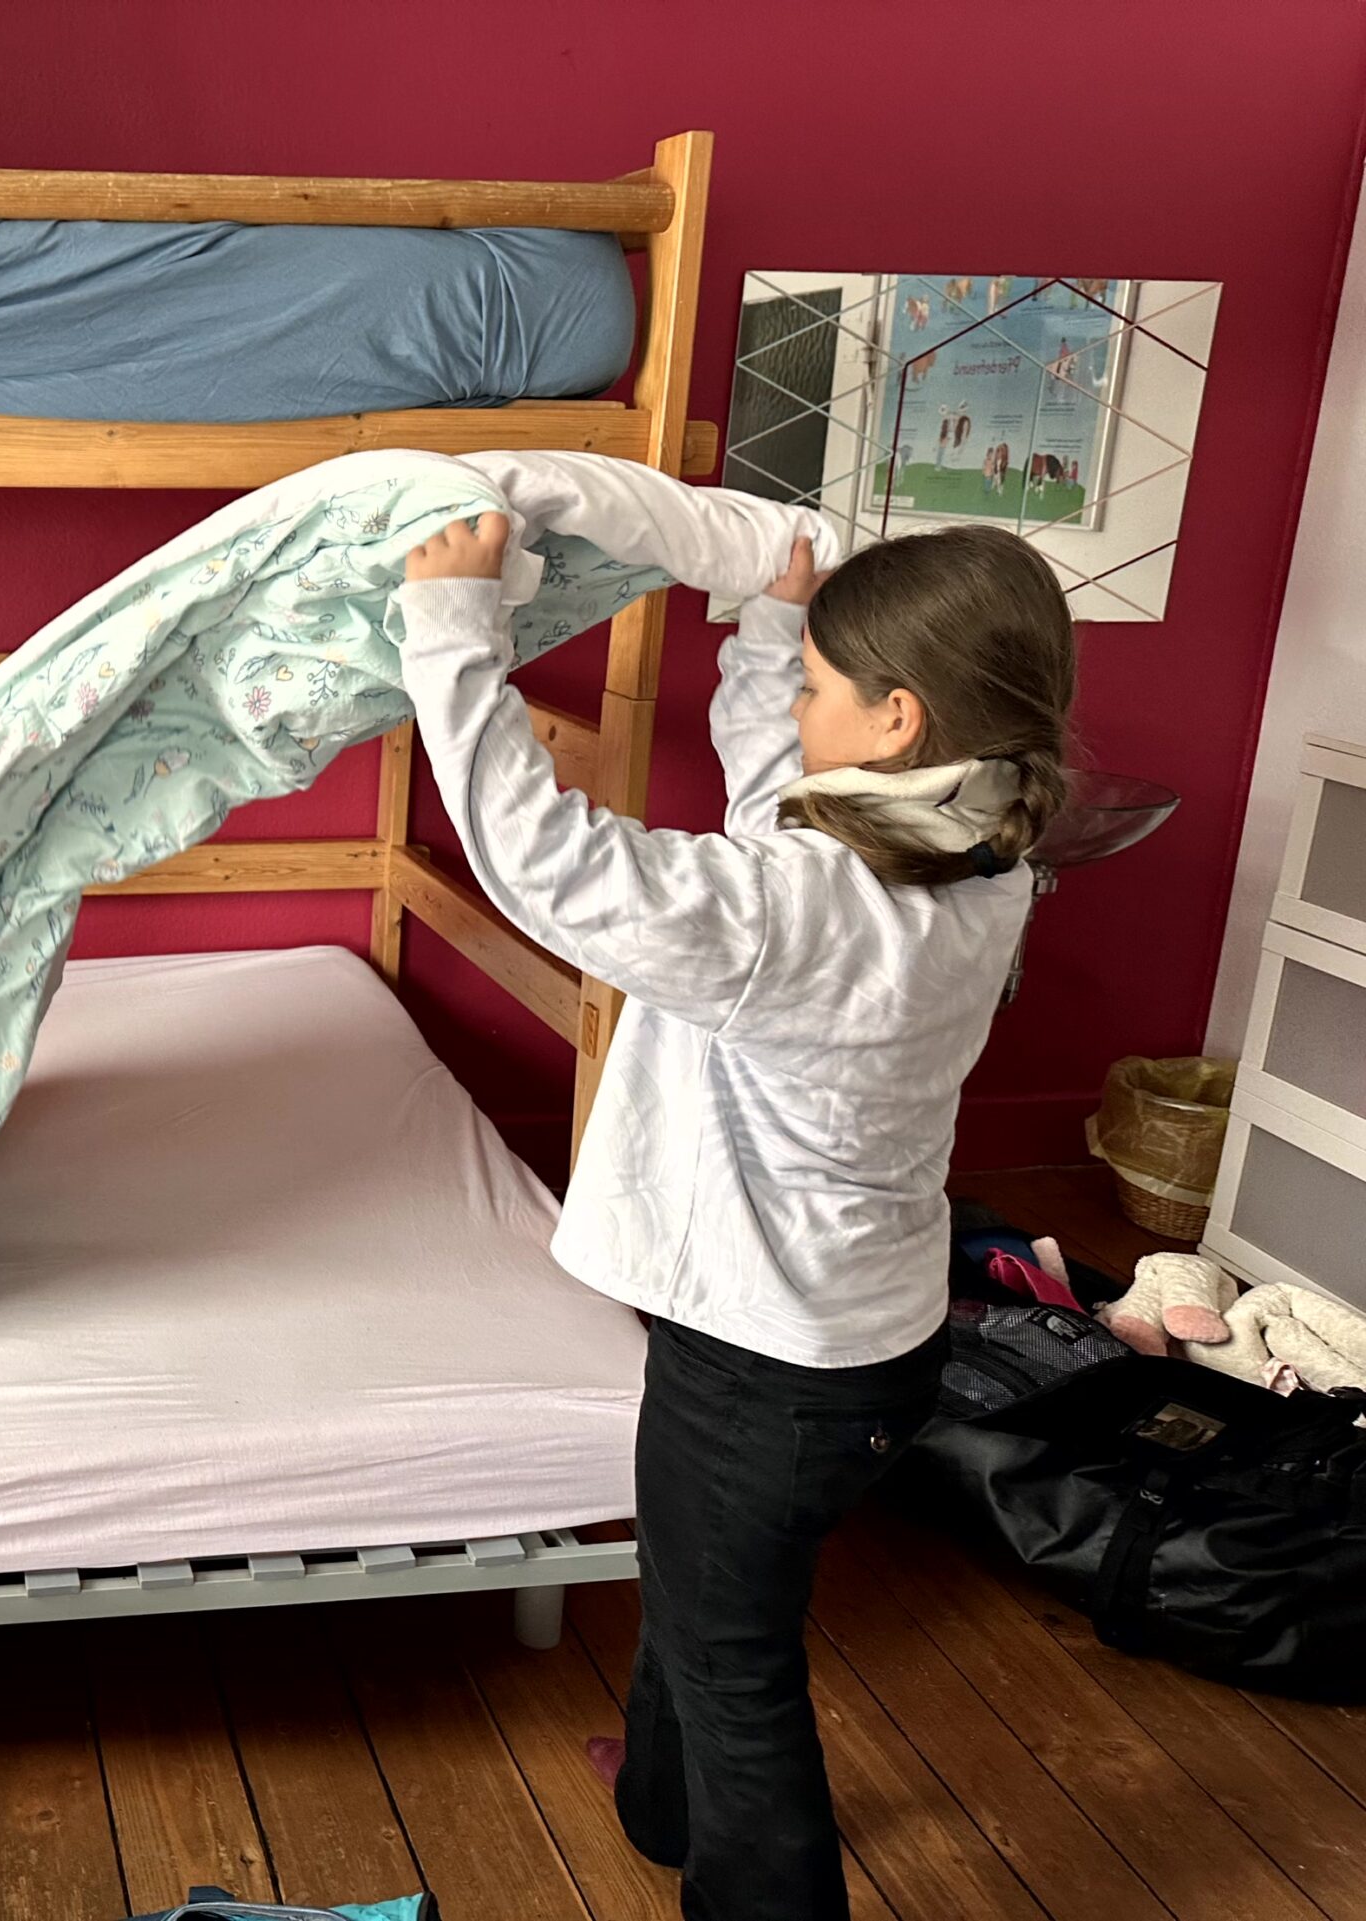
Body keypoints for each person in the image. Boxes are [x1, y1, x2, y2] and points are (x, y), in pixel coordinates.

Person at [398, 517, 1074, 1920]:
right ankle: (663, 1801)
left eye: (816, 688)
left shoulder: (792, 913)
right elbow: (790, 805)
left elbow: (547, 863)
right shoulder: (981, 854)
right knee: (702, 1584)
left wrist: (454, 634)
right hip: (863, 1343)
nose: (798, 709)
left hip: (766, 1371)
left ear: (898, 720)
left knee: (732, 1660)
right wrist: (776, 629)